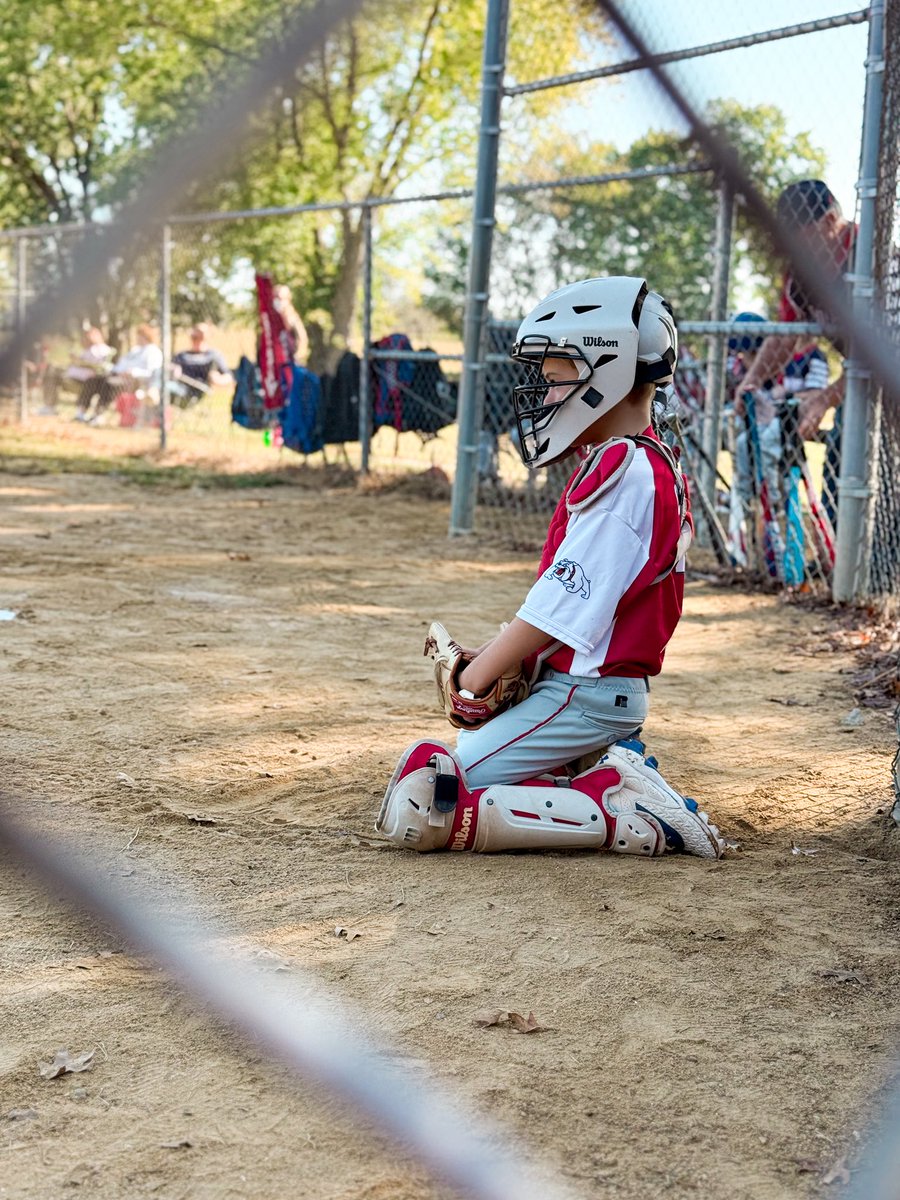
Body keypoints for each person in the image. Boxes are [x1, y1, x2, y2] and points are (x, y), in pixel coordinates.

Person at [376, 276, 724, 861]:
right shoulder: (636, 460)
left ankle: (619, 803)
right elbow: (576, 600)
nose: (546, 391)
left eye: (560, 373)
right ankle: (602, 772)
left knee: (429, 796)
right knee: (452, 772)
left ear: (608, 370)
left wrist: (477, 677)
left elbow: (562, 610)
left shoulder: (627, 473)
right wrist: (499, 661)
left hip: (585, 696)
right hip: (585, 690)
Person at [739, 180, 855, 525]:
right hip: (861, 382)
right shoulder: (800, 277)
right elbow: (784, 336)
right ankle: (844, 566)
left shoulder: (874, 259)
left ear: (832, 222)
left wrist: (824, 398)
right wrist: (753, 379)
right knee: (840, 461)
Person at [75, 324, 163, 423]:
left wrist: (133, 372)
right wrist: (109, 368)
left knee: (109, 384)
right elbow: (120, 366)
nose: (138, 338)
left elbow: (152, 372)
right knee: (92, 380)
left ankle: (98, 415)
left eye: (140, 335)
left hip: (133, 381)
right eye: (138, 335)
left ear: (147, 336)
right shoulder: (135, 350)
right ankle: (80, 413)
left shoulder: (153, 352)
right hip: (117, 375)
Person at [169, 323, 232, 407]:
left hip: (194, 391)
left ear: (207, 337)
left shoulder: (213, 355)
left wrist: (218, 379)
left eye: (201, 336)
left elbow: (229, 376)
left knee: (161, 388)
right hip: (178, 385)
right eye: (194, 336)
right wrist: (173, 369)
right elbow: (169, 367)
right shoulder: (182, 355)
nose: (197, 339)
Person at [273, 284, 309, 365]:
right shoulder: (272, 319)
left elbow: (303, 338)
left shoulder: (293, 317)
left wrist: (297, 357)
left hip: (289, 362)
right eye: (276, 297)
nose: (278, 301)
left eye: (280, 298)